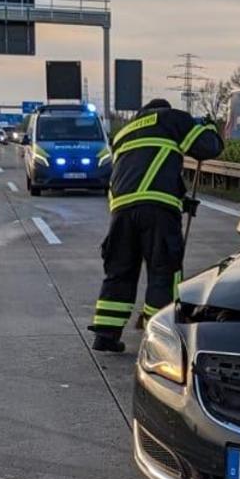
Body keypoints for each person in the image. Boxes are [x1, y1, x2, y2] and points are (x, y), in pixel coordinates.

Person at [89, 98, 224, 352]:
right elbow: (208, 148)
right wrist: (209, 127)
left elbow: (144, 170)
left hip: (120, 211)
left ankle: (105, 335)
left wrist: (180, 199)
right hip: (157, 211)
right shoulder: (172, 119)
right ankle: (159, 337)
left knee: (119, 272)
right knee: (163, 272)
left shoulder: (124, 132)